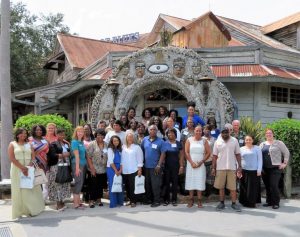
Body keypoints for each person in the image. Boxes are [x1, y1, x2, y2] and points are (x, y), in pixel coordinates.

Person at [8, 128, 45, 219]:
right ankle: (19, 211)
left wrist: (28, 167)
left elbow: (33, 157)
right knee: (19, 189)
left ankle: (31, 210)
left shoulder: (29, 144)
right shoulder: (12, 144)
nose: (23, 135)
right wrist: (22, 168)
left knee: (30, 188)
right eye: (21, 133)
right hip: (17, 169)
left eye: (25, 133)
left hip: (29, 169)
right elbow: (12, 158)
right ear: (17, 135)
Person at [212, 127, 242, 212]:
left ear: (229, 132)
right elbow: (214, 156)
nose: (225, 134)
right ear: (221, 133)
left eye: (226, 132)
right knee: (221, 187)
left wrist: (239, 166)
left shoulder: (234, 140)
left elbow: (238, 154)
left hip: (232, 167)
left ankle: (234, 203)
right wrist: (213, 168)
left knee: (233, 187)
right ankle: (221, 203)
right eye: (223, 132)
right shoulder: (217, 142)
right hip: (220, 167)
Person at [259, 129, 290, 209]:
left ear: (273, 134)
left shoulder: (279, 143)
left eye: (270, 133)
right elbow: (258, 155)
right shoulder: (262, 144)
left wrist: (284, 163)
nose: (268, 134)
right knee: (267, 185)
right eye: (267, 133)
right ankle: (269, 202)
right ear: (265, 135)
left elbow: (286, 152)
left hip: (275, 168)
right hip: (265, 169)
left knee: (274, 185)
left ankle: (276, 202)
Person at [185, 125, 211, 208]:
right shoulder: (189, 140)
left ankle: (199, 200)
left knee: (199, 181)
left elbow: (208, 153)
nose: (198, 132)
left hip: (200, 164)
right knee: (191, 181)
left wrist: (201, 162)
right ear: (194, 131)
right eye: (197, 130)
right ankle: (191, 200)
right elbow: (186, 152)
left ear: (202, 131)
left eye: (200, 130)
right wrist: (192, 162)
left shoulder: (204, 141)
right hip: (191, 164)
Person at [141, 124, 165, 207]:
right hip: (146, 167)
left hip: (156, 167)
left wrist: (159, 165)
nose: (152, 131)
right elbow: (142, 151)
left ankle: (157, 201)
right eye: (151, 129)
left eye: (154, 129)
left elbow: (163, 154)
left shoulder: (161, 141)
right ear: (148, 131)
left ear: (157, 131)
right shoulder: (145, 139)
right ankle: (149, 200)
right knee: (147, 184)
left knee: (156, 185)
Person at [47, 129, 71, 211]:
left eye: (63, 135)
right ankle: (58, 204)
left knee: (64, 183)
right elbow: (53, 155)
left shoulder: (66, 143)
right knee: (57, 184)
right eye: (60, 134)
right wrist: (64, 155)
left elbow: (70, 152)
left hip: (65, 165)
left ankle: (62, 202)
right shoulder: (53, 144)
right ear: (56, 135)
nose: (62, 136)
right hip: (56, 166)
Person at [162, 128, 184, 206]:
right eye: (169, 133)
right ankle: (166, 200)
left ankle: (174, 200)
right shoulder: (165, 143)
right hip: (167, 167)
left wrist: (181, 166)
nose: (170, 134)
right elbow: (163, 155)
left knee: (175, 184)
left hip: (176, 167)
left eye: (172, 133)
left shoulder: (178, 144)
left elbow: (181, 156)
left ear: (175, 134)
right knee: (166, 183)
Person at [86, 129, 108, 208]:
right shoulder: (92, 144)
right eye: (98, 135)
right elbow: (88, 156)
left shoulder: (106, 144)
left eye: (102, 135)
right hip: (93, 168)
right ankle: (91, 200)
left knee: (100, 185)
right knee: (92, 185)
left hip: (103, 169)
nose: (100, 136)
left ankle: (99, 199)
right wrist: (92, 168)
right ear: (95, 136)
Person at [239, 135, 262, 208]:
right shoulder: (241, 149)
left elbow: (260, 160)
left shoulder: (257, 148)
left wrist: (259, 169)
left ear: (252, 140)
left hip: (254, 171)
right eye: (247, 140)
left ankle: (252, 203)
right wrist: (238, 170)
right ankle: (244, 201)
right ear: (244, 141)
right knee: (244, 187)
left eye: (250, 140)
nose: (248, 141)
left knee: (253, 188)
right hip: (244, 170)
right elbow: (238, 160)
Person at [121, 132, 143, 207]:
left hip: (134, 170)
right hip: (125, 170)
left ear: (133, 139)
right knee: (127, 186)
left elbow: (140, 159)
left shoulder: (137, 147)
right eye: (128, 137)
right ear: (126, 138)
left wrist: (139, 169)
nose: (130, 138)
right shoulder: (123, 147)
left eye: (131, 137)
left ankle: (133, 201)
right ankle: (130, 200)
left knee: (133, 186)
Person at [29, 124, 49, 199]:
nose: (39, 131)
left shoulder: (45, 140)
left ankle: (41, 199)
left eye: (40, 130)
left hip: (44, 163)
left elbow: (48, 151)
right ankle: (35, 199)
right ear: (34, 131)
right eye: (37, 130)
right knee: (35, 181)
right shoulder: (30, 140)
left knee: (42, 180)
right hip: (34, 163)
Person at [71, 126, 87, 209]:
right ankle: (75, 204)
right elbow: (76, 156)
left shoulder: (81, 142)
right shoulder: (74, 142)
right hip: (77, 165)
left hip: (83, 165)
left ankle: (78, 201)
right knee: (78, 182)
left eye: (82, 131)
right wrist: (77, 168)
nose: (80, 133)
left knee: (81, 183)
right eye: (78, 131)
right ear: (76, 133)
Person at [107, 136, 124, 208]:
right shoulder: (110, 149)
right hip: (111, 169)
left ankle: (120, 202)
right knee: (113, 185)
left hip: (119, 168)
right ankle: (113, 203)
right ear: (111, 142)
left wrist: (120, 170)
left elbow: (122, 160)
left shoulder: (120, 149)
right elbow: (111, 161)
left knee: (119, 184)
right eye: (114, 141)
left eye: (117, 140)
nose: (116, 142)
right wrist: (116, 170)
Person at [202, 125, 216, 197]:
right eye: (205, 129)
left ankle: (208, 192)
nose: (207, 130)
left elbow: (216, 151)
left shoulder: (214, 139)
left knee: (210, 178)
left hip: (211, 160)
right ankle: (202, 191)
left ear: (210, 131)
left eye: (208, 129)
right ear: (203, 130)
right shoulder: (201, 139)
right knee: (202, 177)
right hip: (202, 161)